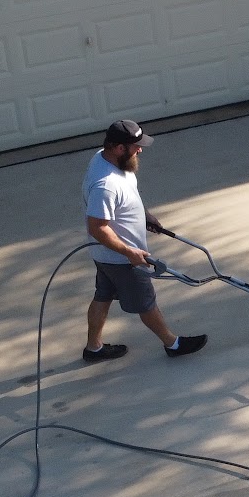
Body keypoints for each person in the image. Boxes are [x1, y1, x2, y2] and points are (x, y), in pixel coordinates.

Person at [81, 119, 208, 363]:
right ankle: (172, 344)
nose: (140, 150)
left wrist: (145, 215)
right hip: (122, 259)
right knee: (146, 303)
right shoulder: (105, 185)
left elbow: (126, 197)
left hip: (105, 257)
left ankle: (93, 348)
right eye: (136, 146)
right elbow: (97, 227)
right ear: (119, 148)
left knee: (103, 295)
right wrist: (129, 252)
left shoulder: (107, 159)